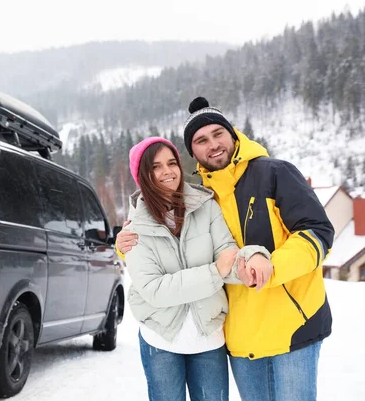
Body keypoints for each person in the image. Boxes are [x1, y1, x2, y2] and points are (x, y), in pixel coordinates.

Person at [117, 98, 334, 401]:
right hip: (240, 335)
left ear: (233, 134)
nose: (213, 144)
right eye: (201, 140)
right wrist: (124, 246)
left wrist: (270, 265)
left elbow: (318, 232)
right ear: (192, 153)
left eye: (218, 134)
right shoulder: (204, 196)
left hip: (292, 326)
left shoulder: (275, 173)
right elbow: (172, 246)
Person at [124, 136, 270, 401]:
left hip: (208, 336)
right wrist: (215, 272)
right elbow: (154, 290)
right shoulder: (134, 229)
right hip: (161, 337)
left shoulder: (206, 205)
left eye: (171, 163)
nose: (167, 171)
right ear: (142, 175)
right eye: (155, 167)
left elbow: (228, 254)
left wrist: (253, 258)